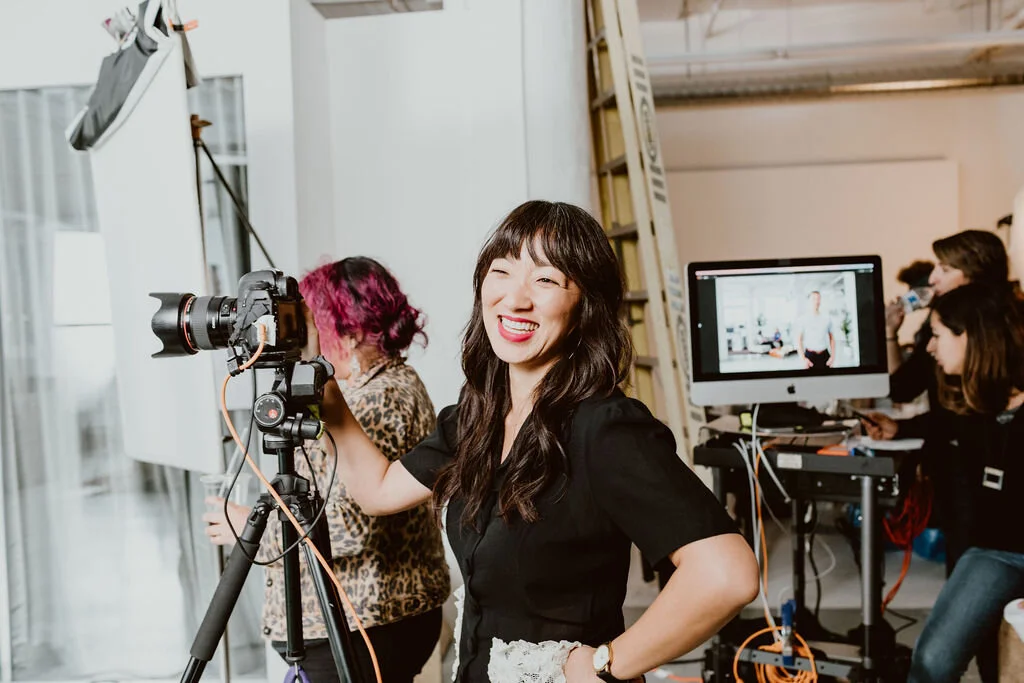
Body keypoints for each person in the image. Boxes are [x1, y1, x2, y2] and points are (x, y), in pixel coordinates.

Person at [311, 201, 759, 682]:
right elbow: (377, 490)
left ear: (585, 303)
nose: (515, 298)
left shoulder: (604, 427)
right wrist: (324, 391)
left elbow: (726, 574)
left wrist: (605, 664)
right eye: (501, 271)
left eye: (546, 280)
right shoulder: (477, 417)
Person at [203, 257, 451, 683]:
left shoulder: (377, 398)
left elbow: (352, 527)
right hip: (362, 627)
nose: (299, 337)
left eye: (309, 322)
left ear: (350, 332)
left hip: (365, 628)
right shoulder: (372, 387)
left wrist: (253, 530)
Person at [864, 229, 1012, 573]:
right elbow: (905, 389)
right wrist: (890, 332)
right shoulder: (938, 326)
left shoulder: (1000, 332)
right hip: (952, 463)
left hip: (982, 475)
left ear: (975, 272)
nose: (933, 278)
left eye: (944, 268)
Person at [903, 284, 1024, 683]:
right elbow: (936, 424)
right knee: (932, 661)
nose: (929, 348)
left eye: (937, 335)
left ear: (971, 334)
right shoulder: (971, 402)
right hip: (997, 550)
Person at [796, 290, 835, 369]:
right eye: (814, 299)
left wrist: (832, 357)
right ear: (809, 301)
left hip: (824, 355)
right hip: (810, 356)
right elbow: (798, 340)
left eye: (818, 299)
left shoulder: (827, 318)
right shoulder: (802, 319)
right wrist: (803, 359)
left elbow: (832, 338)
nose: (816, 301)